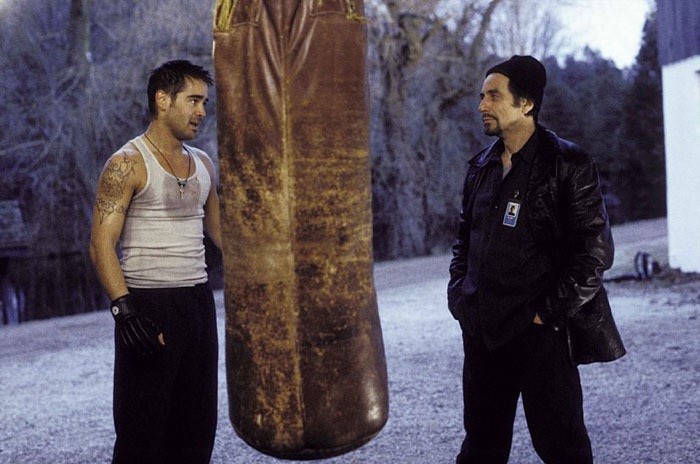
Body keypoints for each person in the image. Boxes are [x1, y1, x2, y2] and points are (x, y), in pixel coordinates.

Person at [447, 55, 625, 464]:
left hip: (540, 333)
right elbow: (464, 240)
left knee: (563, 448)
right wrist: (460, 294)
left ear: (526, 103)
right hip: (483, 331)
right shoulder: (480, 167)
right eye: (482, 96)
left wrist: (548, 314)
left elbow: (595, 252)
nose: (482, 105)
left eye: (493, 96)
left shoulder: (568, 163)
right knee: (481, 448)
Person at [89, 60, 222, 464]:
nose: (202, 111)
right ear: (163, 100)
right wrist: (125, 313)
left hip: (198, 306)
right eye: (193, 100)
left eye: (204, 102)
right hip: (148, 307)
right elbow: (100, 244)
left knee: (196, 435)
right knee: (142, 439)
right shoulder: (127, 163)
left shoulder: (204, 164)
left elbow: (223, 236)